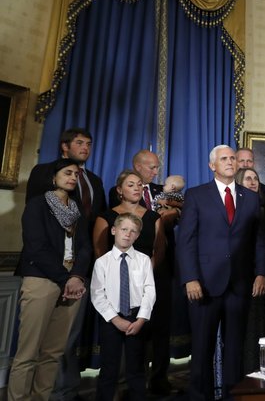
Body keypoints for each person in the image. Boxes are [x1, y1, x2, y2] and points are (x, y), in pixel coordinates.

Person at [176, 144, 265, 400]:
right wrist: (190, 278)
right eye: (224, 158)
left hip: (239, 284)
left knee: (235, 348)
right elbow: (186, 241)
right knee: (202, 347)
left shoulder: (250, 198)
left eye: (233, 158)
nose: (230, 162)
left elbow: (259, 240)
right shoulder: (196, 195)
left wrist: (261, 272)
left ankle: (231, 395)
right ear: (212, 166)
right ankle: (199, 395)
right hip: (204, 283)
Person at [25, 128, 106, 401]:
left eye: (89, 144)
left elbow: (91, 228)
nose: (85, 147)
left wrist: (78, 273)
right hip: (45, 271)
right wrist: (63, 274)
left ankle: (63, 391)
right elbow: (39, 227)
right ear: (64, 146)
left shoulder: (93, 180)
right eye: (79, 143)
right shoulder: (43, 174)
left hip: (79, 271)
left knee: (63, 342)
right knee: (32, 348)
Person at [9, 158, 91, 401]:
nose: (73, 177)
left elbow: (85, 247)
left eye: (76, 174)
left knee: (53, 353)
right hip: (42, 279)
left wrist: (76, 276)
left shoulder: (77, 210)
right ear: (53, 177)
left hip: (71, 281)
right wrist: (66, 278)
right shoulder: (37, 205)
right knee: (27, 354)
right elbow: (36, 248)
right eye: (67, 173)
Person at [108, 149, 179, 394]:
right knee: (135, 326)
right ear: (137, 166)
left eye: (157, 167)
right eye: (152, 167)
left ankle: (159, 379)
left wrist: (173, 212)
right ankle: (131, 382)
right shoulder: (116, 193)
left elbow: (181, 207)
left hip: (161, 268)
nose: (156, 172)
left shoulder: (163, 190)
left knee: (161, 327)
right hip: (130, 272)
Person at [90, 213, 156, 401]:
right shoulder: (102, 262)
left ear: (137, 236)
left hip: (136, 318)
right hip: (111, 319)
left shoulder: (143, 260)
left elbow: (149, 290)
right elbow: (97, 294)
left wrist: (141, 318)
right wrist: (115, 319)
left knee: (136, 367)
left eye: (133, 231)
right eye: (124, 229)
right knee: (109, 368)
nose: (128, 234)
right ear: (114, 230)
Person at [234, 166, 265, 371]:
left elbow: (264, 243)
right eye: (248, 178)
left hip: (258, 272)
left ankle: (256, 369)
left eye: (255, 178)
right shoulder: (232, 207)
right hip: (235, 274)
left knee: (257, 324)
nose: (253, 182)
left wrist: (262, 272)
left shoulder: (264, 208)